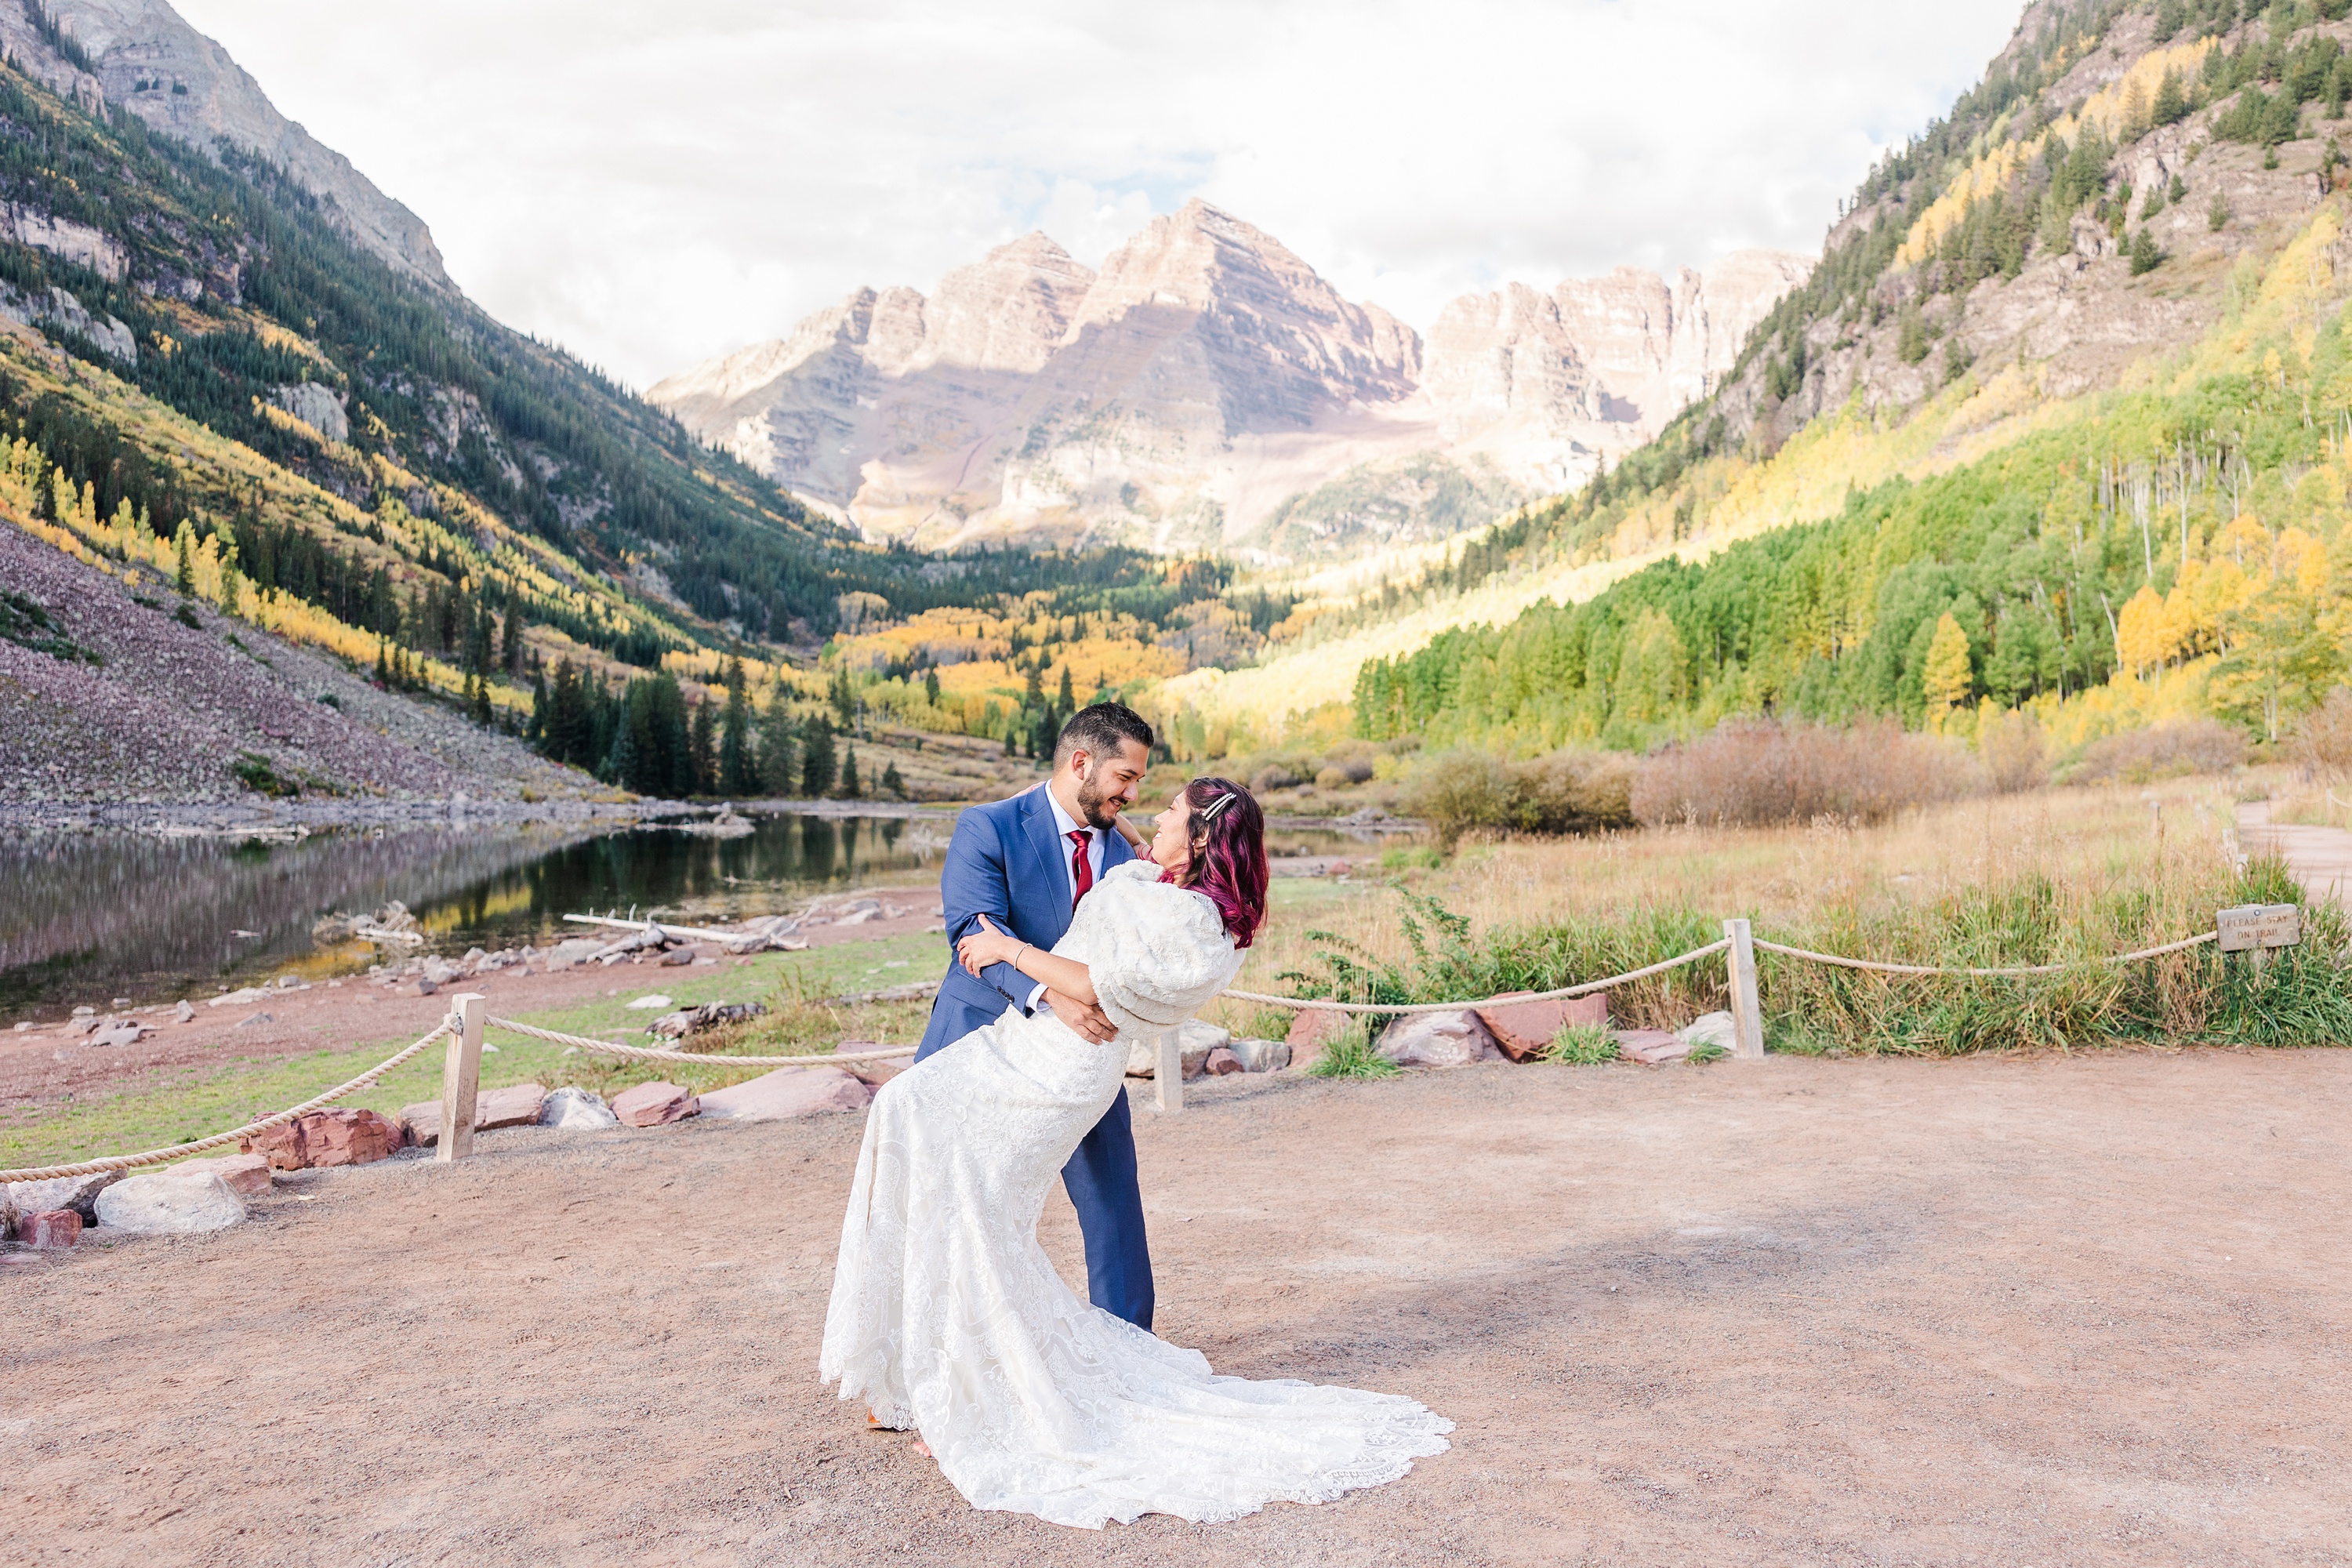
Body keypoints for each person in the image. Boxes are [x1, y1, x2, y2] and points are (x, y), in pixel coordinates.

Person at [820, 775, 1453, 1530]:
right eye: (1137, 787)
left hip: (1059, 1066)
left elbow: (1094, 988)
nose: (1150, 809)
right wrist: (1120, 827)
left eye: (1172, 811)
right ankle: (911, 1373)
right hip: (1018, 1039)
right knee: (909, 1122)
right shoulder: (1155, 871)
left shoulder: (1197, 926)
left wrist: (1008, 948)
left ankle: (980, 1398)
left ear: (1203, 839)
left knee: (975, 1202)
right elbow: (1115, 851)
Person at [914, 703, 1159, 1327]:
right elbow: (973, 934)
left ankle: (1130, 1347)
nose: (1132, 793)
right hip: (979, 1042)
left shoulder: (1127, 855)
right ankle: (926, 1363)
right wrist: (1054, 996)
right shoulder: (988, 827)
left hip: (1084, 1057)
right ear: (1081, 763)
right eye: (1124, 778)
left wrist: (1132, 837)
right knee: (954, 1207)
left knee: (1112, 1200)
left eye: (1137, 781)